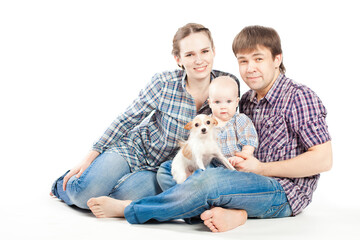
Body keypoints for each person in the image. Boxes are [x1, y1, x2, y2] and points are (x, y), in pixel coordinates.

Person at [86, 25, 333, 233]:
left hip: (282, 191)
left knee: (209, 180)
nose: (250, 68)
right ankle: (229, 212)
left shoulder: (299, 97)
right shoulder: (244, 100)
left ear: (277, 59)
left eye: (259, 59)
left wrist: (260, 168)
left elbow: (323, 159)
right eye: (243, 61)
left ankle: (130, 209)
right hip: (242, 179)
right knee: (170, 168)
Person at [50, 23, 239, 210]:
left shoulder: (227, 85)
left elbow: (230, 131)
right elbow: (128, 118)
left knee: (110, 199)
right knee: (84, 195)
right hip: (136, 149)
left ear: (214, 51)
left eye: (204, 51)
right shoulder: (163, 83)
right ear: (178, 59)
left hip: (162, 170)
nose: (199, 60)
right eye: (190, 54)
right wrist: (90, 156)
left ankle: (97, 181)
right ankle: (62, 185)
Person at [157, 75, 258, 191]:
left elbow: (250, 142)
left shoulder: (240, 120)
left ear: (237, 102)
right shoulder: (204, 121)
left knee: (211, 182)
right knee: (165, 169)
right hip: (211, 165)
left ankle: (194, 195)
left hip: (235, 166)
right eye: (217, 102)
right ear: (210, 103)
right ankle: (187, 192)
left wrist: (242, 156)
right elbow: (194, 143)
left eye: (229, 101)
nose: (223, 107)